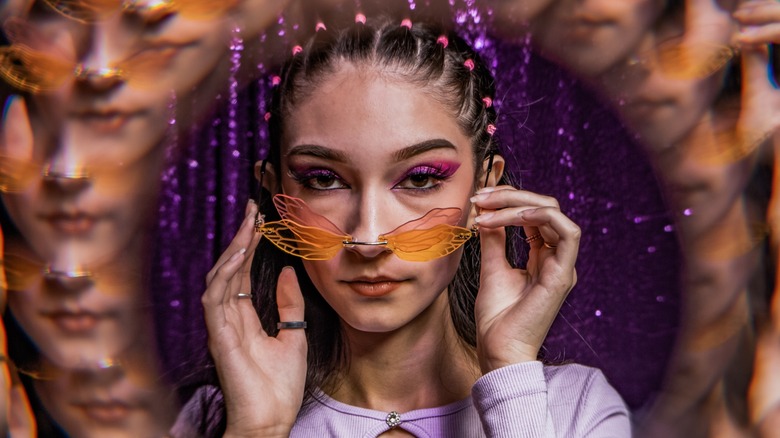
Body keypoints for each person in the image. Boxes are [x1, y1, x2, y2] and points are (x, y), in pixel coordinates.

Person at [188, 15, 630, 437]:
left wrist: (510, 369)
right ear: (276, 194)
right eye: (323, 179)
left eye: (420, 179)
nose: (368, 239)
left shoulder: (576, 410)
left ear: (485, 188)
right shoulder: (216, 419)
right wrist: (257, 431)